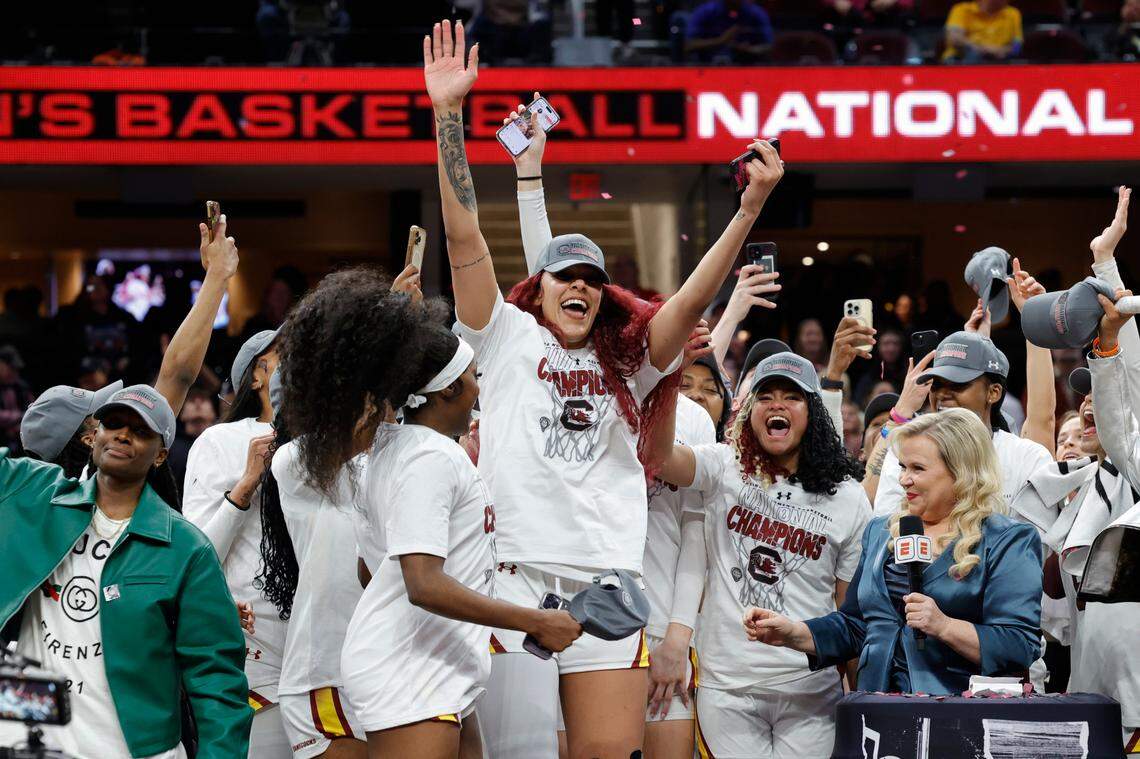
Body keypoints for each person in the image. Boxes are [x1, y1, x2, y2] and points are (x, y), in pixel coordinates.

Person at [425, 21, 782, 757]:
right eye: (565, 276)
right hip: (513, 581)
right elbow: (463, 239)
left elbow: (686, 301)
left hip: (610, 587)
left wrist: (748, 210)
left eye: (593, 278)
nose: (581, 286)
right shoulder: (505, 336)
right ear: (539, 288)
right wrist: (449, 118)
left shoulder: (630, 362)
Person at [273, 270, 580, 758]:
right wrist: (532, 622)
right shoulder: (430, 458)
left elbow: (369, 567)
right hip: (410, 670)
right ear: (446, 391)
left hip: (427, 661)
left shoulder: (392, 447)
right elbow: (423, 583)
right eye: (473, 377)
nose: (480, 388)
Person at [0, 384, 251, 757]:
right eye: (113, 423)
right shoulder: (36, 495)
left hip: (137, 751)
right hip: (33, 744)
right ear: (93, 435)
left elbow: (215, 678)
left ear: (161, 455)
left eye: (140, 431)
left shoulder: (186, 548)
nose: (122, 435)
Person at [655, 352, 868, 758]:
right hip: (728, 684)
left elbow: (849, 612)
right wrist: (667, 374)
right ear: (749, 409)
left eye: (792, 397)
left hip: (810, 688)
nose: (777, 406)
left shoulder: (848, 497)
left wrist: (860, 693)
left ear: (813, 412)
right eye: (766, 396)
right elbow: (661, 458)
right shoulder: (724, 465)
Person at [745, 408, 1043, 695]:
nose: (903, 479)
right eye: (902, 467)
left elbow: (1019, 645)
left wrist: (945, 626)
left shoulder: (1007, 540)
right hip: (878, 710)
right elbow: (855, 626)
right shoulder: (881, 532)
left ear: (960, 473)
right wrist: (794, 633)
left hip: (959, 714)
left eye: (917, 469)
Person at [182, 327, 286, 757]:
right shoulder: (218, 441)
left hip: (327, 652)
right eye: (286, 352)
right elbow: (196, 556)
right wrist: (245, 486)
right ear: (256, 376)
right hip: (255, 652)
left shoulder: (334, 441)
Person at [685, 0, 773, 63]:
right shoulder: (706, 11)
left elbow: (769, 46)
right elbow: (688, 45)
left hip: (746, 66)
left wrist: (750, 50)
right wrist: (720, 41)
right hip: (707, 65)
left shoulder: (755, 13)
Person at [942, 0, 1023, 62]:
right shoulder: (961, 9)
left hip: (998, 61)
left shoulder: (1013, 13)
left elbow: (1017, 46)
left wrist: (1003, 51)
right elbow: (955, 39)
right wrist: (984, 49)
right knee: (973, 55)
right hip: (960, 60)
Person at [0, 345, 34, 450]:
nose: (14, 373)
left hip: (19, 442)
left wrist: (18, 427)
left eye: (16, 369)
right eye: (11, 368)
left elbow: (34, 410)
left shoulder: (21, 386)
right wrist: (21, 416)